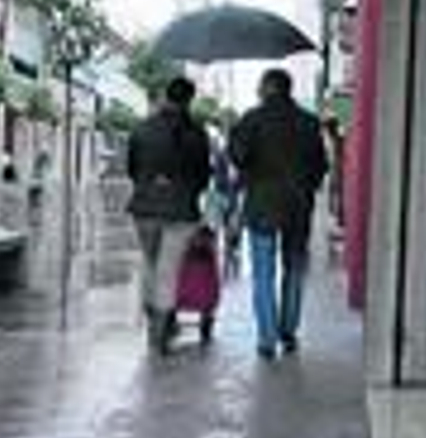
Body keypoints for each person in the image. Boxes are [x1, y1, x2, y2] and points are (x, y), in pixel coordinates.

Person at [229, 68, 328, 360]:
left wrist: (240, 143)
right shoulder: (309, 123)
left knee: (263, 272)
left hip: (262, 206)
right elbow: (321, 166)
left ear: (267, 87)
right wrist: (305, 187)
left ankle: (267, 338)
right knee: (294, 269)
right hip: (299, 206)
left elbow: (238, 157)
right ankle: (289, 331)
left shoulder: (251, 119)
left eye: (260, 85)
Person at [127, 76, 212, 355]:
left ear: (165, 95)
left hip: (145, 208)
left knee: (151, 265)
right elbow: (203, 176)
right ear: (190, 99)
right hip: (181, 210)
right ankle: (159, 333)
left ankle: (155, 321)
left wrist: (151, 183)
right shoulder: (197, 134)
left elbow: (132, 168)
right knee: (168, 270)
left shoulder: (142, 128)